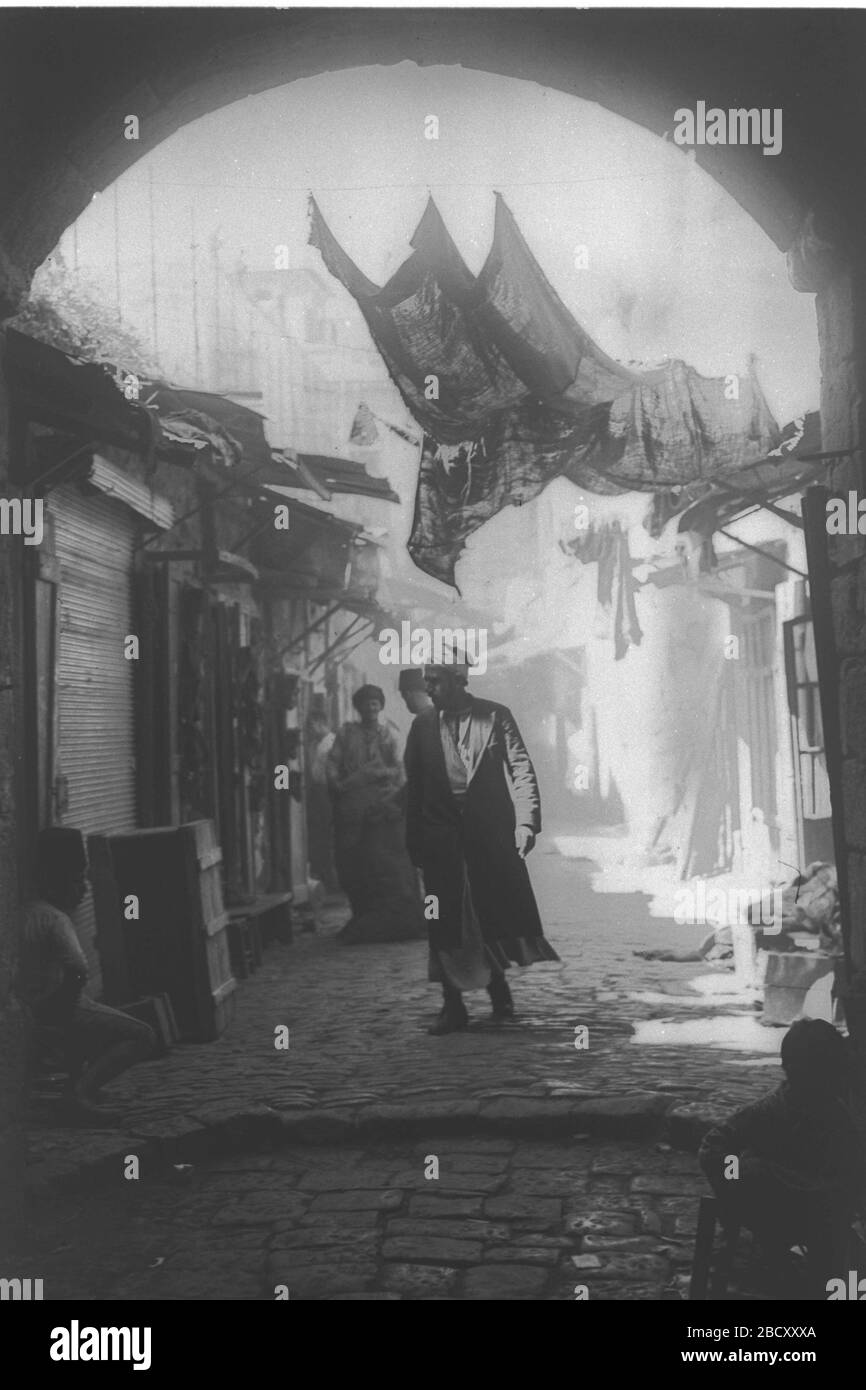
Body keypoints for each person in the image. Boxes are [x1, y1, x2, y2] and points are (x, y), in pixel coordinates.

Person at [404, 653, 560, 1035]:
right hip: (441, 843)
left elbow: (520, 768)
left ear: (459, 681)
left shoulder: (495, 716)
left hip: (487, 837)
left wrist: (526, 822)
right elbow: (415, 790)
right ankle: (451, 1006)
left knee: (486, 916)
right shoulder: (422, 727)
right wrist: (415, 846)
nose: (427, 688)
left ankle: (499, 993)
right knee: (442, 921)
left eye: (435, 680)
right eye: (426, 680)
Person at [698, 1018, 866, 1297]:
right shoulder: (767, 1112)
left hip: (819, 1218)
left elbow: (852, 1175)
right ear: (794, 1072)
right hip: (773, 1212)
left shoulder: (839, 1120)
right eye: (823, 1075)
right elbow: (713, 1148)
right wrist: (741, 1174)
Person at [16, 827, 156, 1125]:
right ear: (56, 883)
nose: (84, 890)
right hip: (58, 1008)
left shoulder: (23, 913)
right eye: (77, 881)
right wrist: (63, 1007)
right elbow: (79, 970)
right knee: (142, 1035)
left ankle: (79, 1086)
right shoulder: (55, 919)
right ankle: (78, 1095)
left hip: (29, 1007)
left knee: (96, 1020)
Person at [326, 684, 424, 942]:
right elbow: (333, 764)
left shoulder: (388, 735)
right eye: (366, 704)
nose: (371, 709)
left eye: (375, 704)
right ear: (358, 708)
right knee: (351, 861)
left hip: (382, 808)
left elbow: (399, 770)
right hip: (352, 807)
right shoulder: (346, 735)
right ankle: (360, 914)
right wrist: (339, 784)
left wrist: (384, 782)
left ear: (380, 707)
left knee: (385, 862)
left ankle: (393, 918)